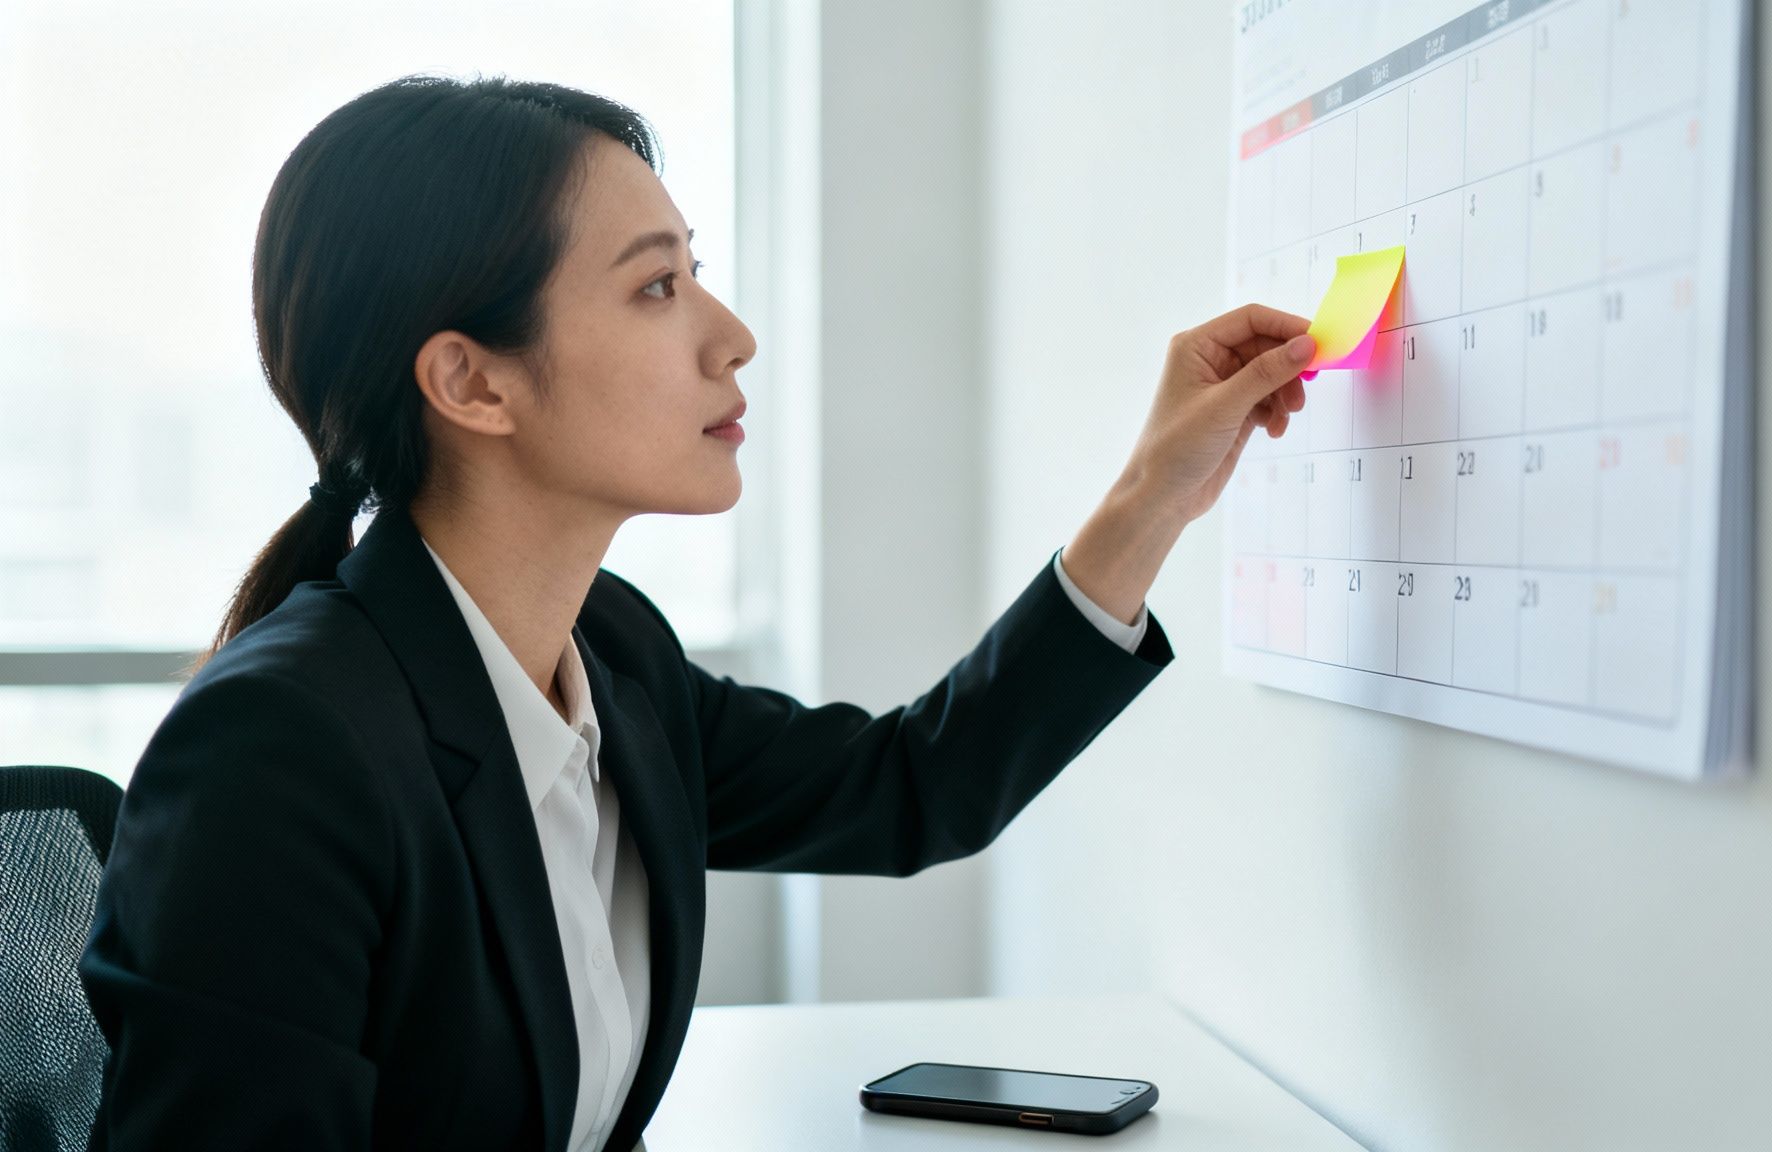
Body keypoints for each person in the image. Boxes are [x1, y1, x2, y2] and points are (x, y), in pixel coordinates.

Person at [78, 74, 1314, 1151]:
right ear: (471, 381)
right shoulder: (281, 750)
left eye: (693, 274)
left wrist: (1154, 492)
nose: (733, 338)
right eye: (656, 288)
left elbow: (911, 787)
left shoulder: (609, 654)